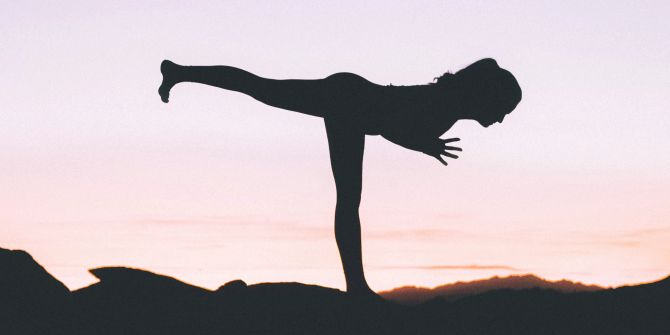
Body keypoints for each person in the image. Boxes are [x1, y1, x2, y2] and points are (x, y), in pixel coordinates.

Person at [158, 58, 522, 297]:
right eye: (503, 110)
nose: (502, 120)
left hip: (351, 97)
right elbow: (392, 126)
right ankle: (357, 287)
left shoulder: (449, 103)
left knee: (262, 88)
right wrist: (424, 145)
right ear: (487, 98)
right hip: (350, 104)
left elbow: (400, 122)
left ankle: (179, 72)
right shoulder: (445, 107)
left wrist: (423, 143)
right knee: (348, 199)